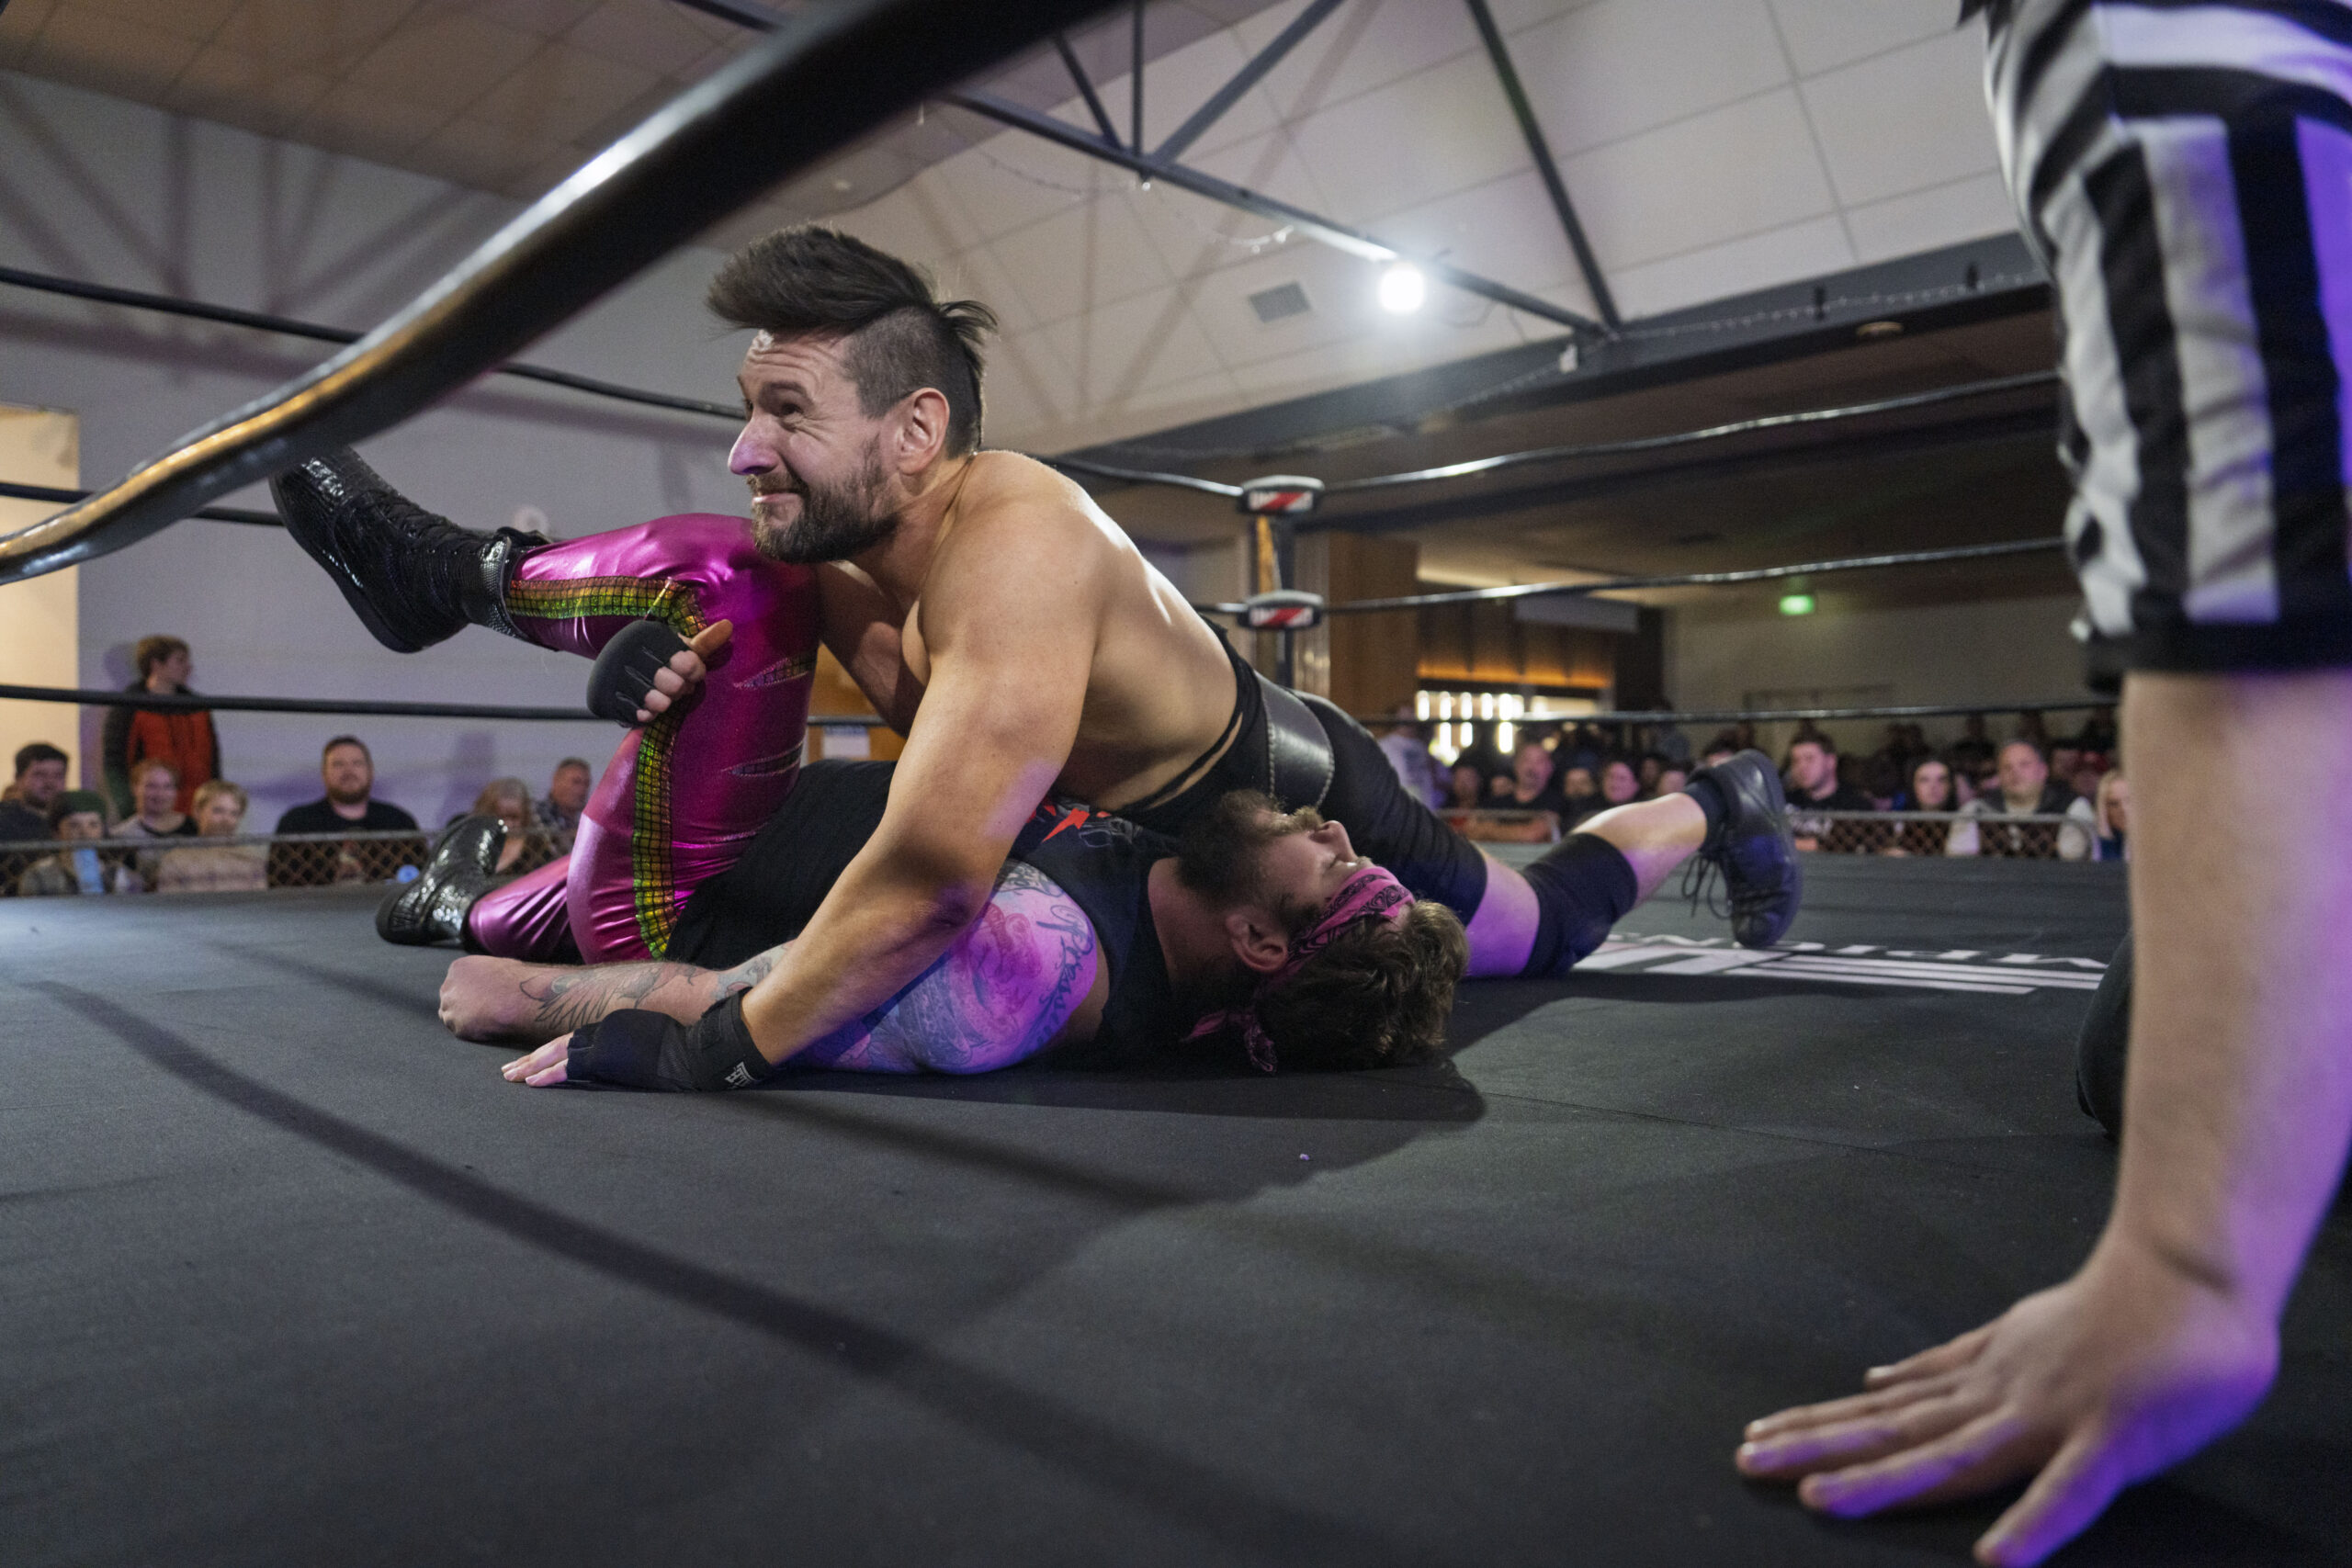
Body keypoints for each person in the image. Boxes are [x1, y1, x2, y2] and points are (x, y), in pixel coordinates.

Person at [272, 223, 1804, 1069]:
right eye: (748, 408)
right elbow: (714, 607)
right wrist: (642, 673)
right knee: (726, 577)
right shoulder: (839, 538)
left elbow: (933, 877)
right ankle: (449, 574)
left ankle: (1718, 800)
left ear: (915, 429)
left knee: (1537, 929)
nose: (744, 448)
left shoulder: (1018, 551)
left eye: (786, 411)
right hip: (1103, 836)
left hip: (1277, 792)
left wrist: (719, 1043)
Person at [1738, 5, 2352, 1561]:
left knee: (2187, 1052)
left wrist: (2188, 1266)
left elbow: (2260, 560)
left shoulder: (2156, 43)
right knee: (2152, 1030)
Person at [271, 737, 423, 886]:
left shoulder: (399, 821)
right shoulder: (297, 823)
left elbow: (422, 879)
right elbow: (279, 884)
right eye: (338, 764)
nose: (349, 771)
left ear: (370, 771)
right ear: (324, 773)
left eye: (357, 763)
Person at [99, 635, 218, 818]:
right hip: (149, 814)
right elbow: (115, 763)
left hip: (196, 813)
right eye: (180, 660)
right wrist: (129, 810)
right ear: (156, 664)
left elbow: (213, 763)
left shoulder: (199, 707)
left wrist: (213, 803)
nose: (188, 667)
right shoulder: (128, 707)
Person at [1951, 739, 2095, 862]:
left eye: (2024, 765)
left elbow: (2075, 867)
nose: (2015, 772)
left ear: (2043, 771)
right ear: (1999, 775)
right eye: (2007, 767)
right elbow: (1960, 866)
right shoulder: (1976, 810)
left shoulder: (2072, 807)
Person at [17, 791, 139, 896]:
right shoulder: (38, 876)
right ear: (56, 832)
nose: (85, 833)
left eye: (93, 825)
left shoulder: (119, 875)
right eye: (74, 825)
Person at [156, 780, 267, 893]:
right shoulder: (175, 860)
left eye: (234, 813)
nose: (226, 819)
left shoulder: (252, 861)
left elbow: (260, 901)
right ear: (197, 812)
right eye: (218, 811)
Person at [1781, 735, 1874, 851]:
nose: (1802, 766)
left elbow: (1842, 846)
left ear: (1831, 762)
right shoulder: (1783, 800)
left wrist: (1784, 844)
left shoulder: (1855, 804)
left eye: (1809, 759)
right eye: (1796, 761)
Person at [1883, 754, 1960, 858]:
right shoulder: (1898, 825)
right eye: (1924, 780)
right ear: (1913, 785)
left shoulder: (1965, 823)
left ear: (1951, 786)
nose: (1933, 786)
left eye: (1942, 780)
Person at [0, 740, 68, 842]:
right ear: (18, 779)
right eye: (40, 775)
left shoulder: (75, 819)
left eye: (58, 775)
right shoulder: (3, 821)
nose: (50, 783)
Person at [1375, 713, 1446, 810]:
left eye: (1411, 720)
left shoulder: (1420, 747)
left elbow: (1434, 780)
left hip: (1422, 806)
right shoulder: (1384, 745)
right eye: (1404, 721)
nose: (1409, 725)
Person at [533, 757, 592, 853]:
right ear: (556, 781)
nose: (582, 790)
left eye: (586, 784)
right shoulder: (537, 813)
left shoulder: (588, 820)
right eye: (576, 782)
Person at [2092, 770, 2129, 864]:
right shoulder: (2098, 840)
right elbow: (2109, 871)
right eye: (2114, 804)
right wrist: (2105, 833)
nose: (2123, 809)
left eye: (2129, 800)